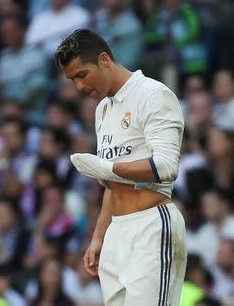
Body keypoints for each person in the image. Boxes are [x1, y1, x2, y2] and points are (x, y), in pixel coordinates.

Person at [55, 29, 186, 305]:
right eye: (72, 80)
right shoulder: (103, 109)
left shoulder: (153, 94)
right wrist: (99, 236)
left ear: (104, 59)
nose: (79, 87)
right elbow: (112, 185)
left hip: (152, 224)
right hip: (117, 231)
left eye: (82, 75)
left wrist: (109, 168)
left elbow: (166, 166)